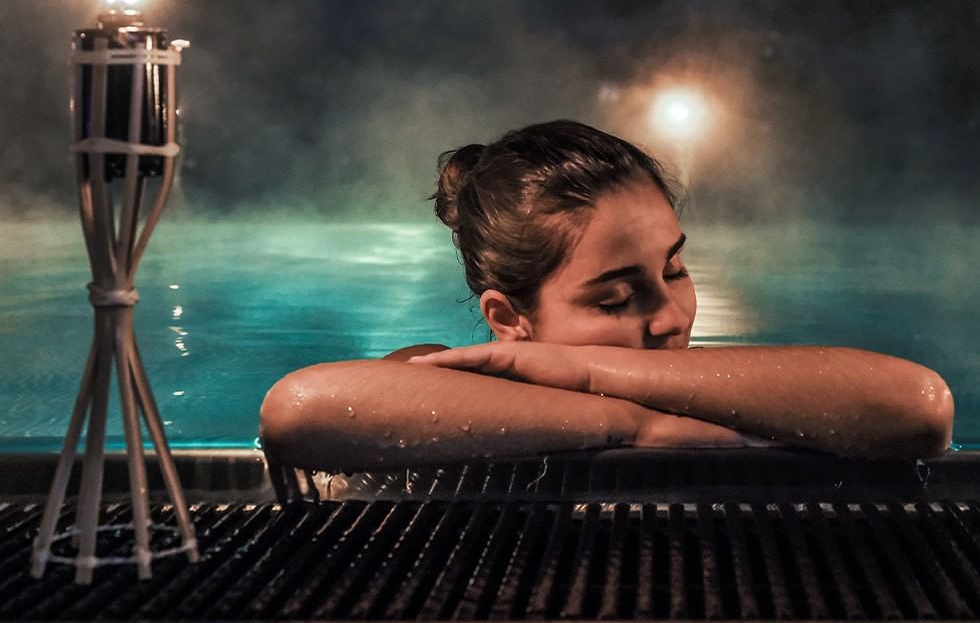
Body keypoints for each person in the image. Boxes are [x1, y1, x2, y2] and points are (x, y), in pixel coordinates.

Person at [259, 120, 954, 470]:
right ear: (508, 318)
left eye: (674, 272)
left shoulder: (729, 385)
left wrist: (592, 370)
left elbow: (919, 408)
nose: (669, 319)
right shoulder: (445, 378)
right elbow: (299, 411)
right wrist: (639, 426)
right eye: (616, 300)